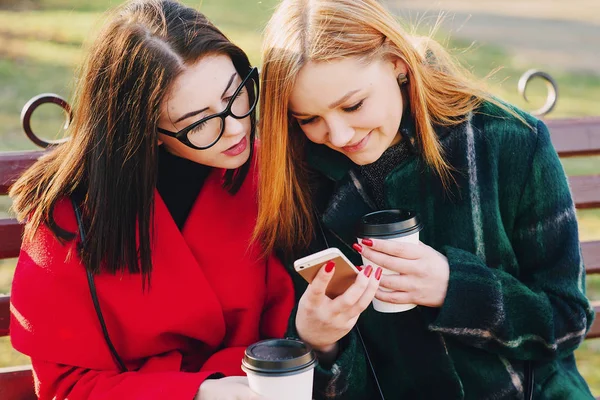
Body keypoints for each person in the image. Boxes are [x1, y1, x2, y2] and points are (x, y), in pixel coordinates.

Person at [254, 0, 595, 398]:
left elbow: (567, 320)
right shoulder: (299, 178)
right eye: (309, 119)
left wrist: (454, 287)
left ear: (397, 63)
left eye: (353, 105)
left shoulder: (508, 140)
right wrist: (319, 340)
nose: (340, 135)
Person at [9, 1, 293, 399]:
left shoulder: (266, 172)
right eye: (198, 121)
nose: (234, 129)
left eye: (236, 94)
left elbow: (295, 328)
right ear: (149, 130)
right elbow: (67, 385)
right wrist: (200, 392)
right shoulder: (70, 213)